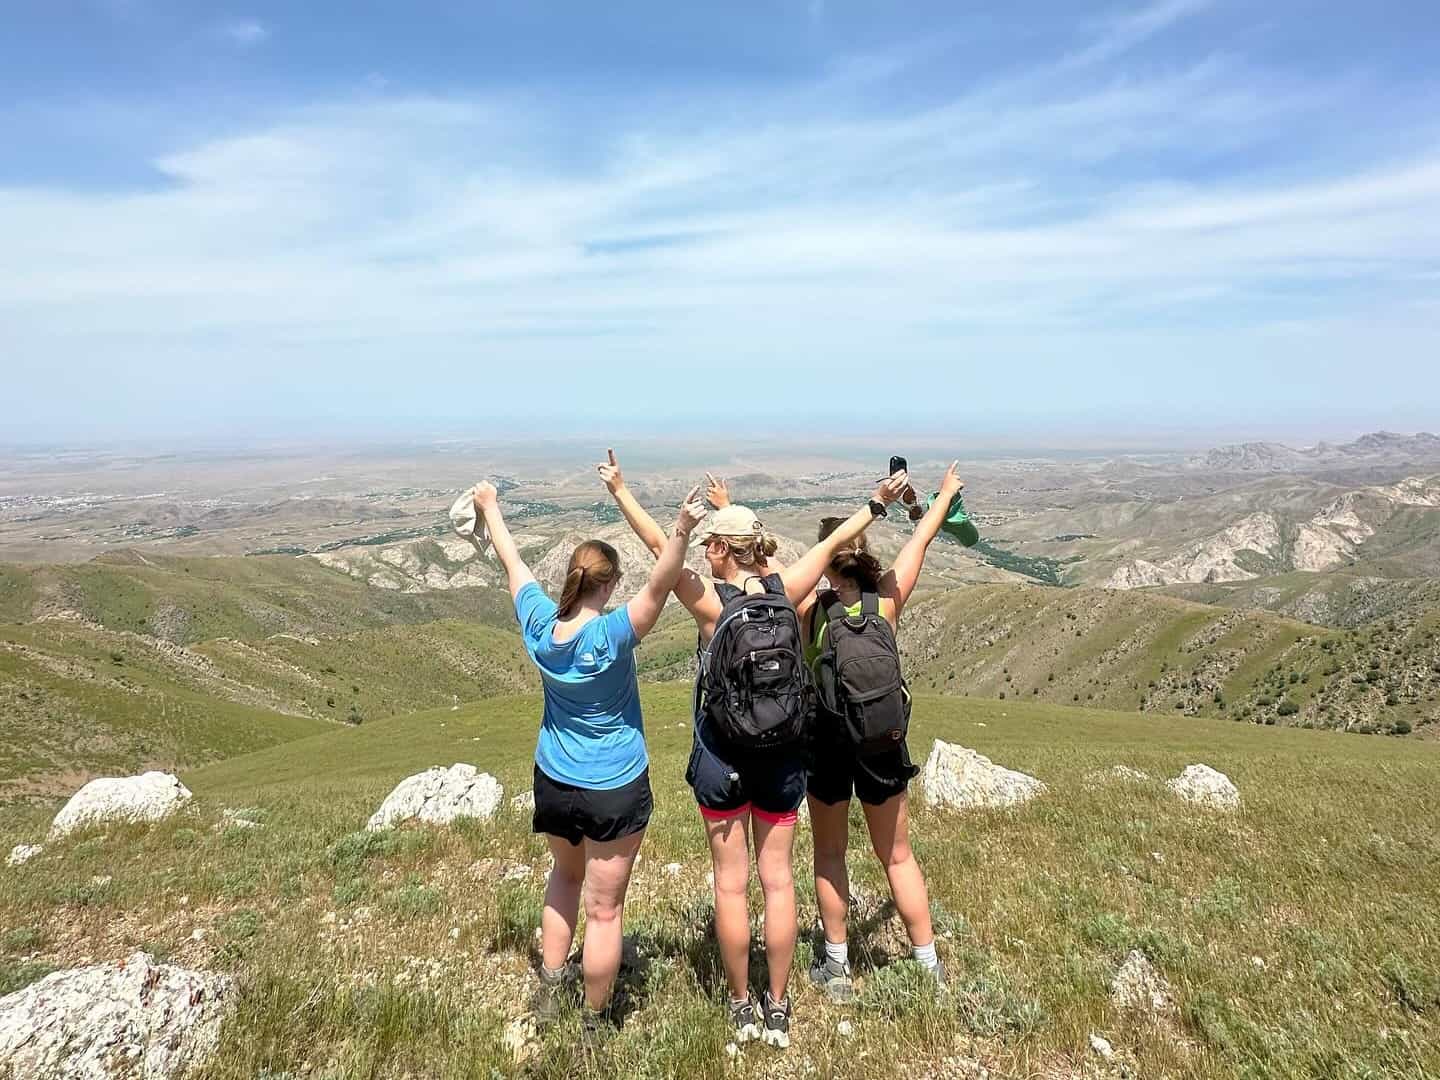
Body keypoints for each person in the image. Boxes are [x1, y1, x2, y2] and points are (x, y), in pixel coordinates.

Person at [597, 449, 907, 1049]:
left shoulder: (711, 604)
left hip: (722, 757)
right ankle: (780, 1003)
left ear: (717, 550)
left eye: (713, 544)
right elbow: (840, 536)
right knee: (779, 884)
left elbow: (663, 550)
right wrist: (876, 503)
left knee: (731, 886)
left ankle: (742, 1004)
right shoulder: (789, 588)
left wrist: (622, 494)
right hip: (784, 756)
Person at [470, 479, 708, 1028]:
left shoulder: (540, 627)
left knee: (564, 877)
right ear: (610, 585)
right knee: (605, 911)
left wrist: (490, 508)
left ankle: (551, 989)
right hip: (614, 784)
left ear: (572, 580)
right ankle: (596, 1024)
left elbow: (513, 563)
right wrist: (680, 529)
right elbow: (662, 582)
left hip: (554, 776)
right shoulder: (612, 637)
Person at [800, 461, 966, 1002]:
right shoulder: (888, 600)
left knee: (831, 854)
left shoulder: (809, 609)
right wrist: (942, 495)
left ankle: (838, 967)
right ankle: (927, 967)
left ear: (826, 560)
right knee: (897, 855)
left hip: (827, 743)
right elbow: (922, 536)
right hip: (883, 740)